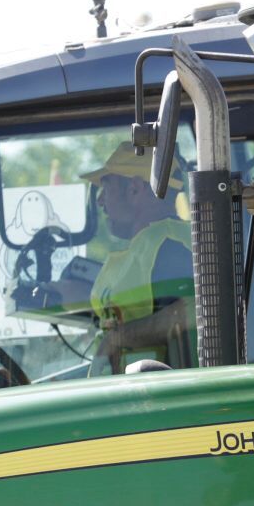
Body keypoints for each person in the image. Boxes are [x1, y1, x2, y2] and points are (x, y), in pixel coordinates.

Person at [80, 142, 196, 369]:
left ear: (135, 188)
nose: (100, 200)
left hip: (162, 396)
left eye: (107, 186)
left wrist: (117, 339)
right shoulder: (152, 245)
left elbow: (192, 311)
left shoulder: (168, 245)